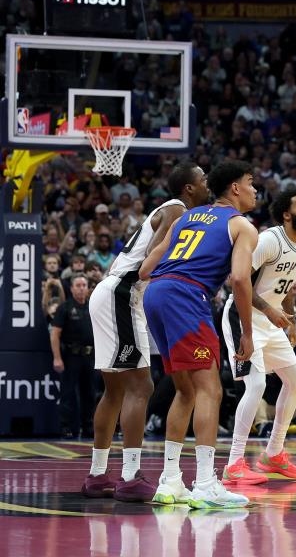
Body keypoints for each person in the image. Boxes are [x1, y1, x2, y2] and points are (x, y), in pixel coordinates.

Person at [82, 163, 207, 502]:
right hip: (123, 294)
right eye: (203, 179)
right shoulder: (177, 209)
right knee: (141, 385)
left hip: (114, 292)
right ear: (189, 188)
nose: (207, 183)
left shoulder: (174, 211)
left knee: (116, 390)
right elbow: (155, 255)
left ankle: (97, 475)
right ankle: (130, 476)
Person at [139, 160, 259, 508]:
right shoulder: (241, 226)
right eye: (250, 182)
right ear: (235, 188)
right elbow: (240, 279)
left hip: (156, 293)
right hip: (186, 297)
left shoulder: (186, 217)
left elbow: (146, 268)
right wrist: (247, 333)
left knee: (186, 390)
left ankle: (170, 482)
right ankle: (206, 484)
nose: (254, 190)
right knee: (210, 389)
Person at [220, 189, 296, 485]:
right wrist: (269, 311)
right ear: (286, 214)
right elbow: (238, 281)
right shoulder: (269, 240)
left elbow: (286, 287)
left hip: (270, 322)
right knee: (256, 384)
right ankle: (234, 463)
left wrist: (291, 321)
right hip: (242, 316)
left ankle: (273, 453)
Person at [51, 275, 95, 440]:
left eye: (84, 285)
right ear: (71, 288)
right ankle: (66, 427)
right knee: (68, 393)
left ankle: (88, 427)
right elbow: (55, 334)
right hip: (71, 356)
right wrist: (57, 358)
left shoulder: (93, 306)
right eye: (78, 285)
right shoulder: (65, 307)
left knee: (90, 393)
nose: (82, 288)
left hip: (91, 356)